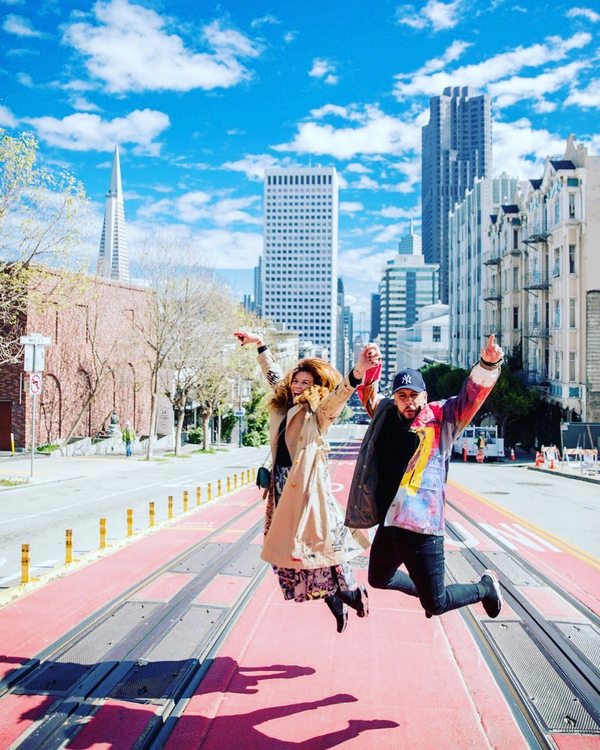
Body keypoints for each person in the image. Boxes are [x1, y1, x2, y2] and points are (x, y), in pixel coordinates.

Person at [346, 335, 505, 619]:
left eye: (414, 395)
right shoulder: (385, 413)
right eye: (402, 396)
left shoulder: (442, 417)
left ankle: (485, 588)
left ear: (425, 396)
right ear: (395, 398)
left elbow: (471, 397)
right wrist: (370, 364)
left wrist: (487, 366)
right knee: (378, 578)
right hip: (391, 522)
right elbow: (368, 393)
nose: (408, 401)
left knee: (436, 604)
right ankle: (427, 590)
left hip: (423, 528)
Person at [234, 330, 379, 633]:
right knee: (282, 554)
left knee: (323, 549)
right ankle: (334, 597)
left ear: (316, 387)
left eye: (306, 383)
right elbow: (272, 372)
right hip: (280, 488)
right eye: (296, 381)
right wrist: (260, 344)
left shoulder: (319, 412)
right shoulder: (283, 402)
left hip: (308, 491)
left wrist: (359, 370)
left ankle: (349, 592)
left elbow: (341, 394)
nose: (298, 386)